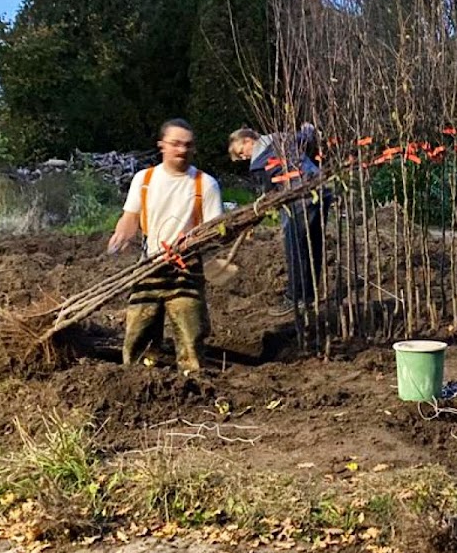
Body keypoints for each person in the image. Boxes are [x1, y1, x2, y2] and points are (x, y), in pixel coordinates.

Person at [108, 119, 224, 373]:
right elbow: (131, 216)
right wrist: (122, 234)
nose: (182, 150)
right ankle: (137, 375)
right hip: (150, 265)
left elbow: (214, 231)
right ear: (162, 145)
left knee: (190, 335)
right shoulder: (144, 179)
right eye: (176, 144)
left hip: (186, 270)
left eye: (188, 145)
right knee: (138, 330)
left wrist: (194, 244)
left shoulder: (206, 184)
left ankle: (192, 379)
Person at [227, 124, 326, 317]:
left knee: (295, 250)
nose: (244, 157)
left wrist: (260, 208)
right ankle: (309, 295)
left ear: (248, 140)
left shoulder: (258, 161)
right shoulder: (282, 138)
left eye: (241, 152)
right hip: (319, 189)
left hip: (297, 200)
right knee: (313, 245)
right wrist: (309, 129)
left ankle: (295, 298)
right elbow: (307, 137)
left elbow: (268, 194)